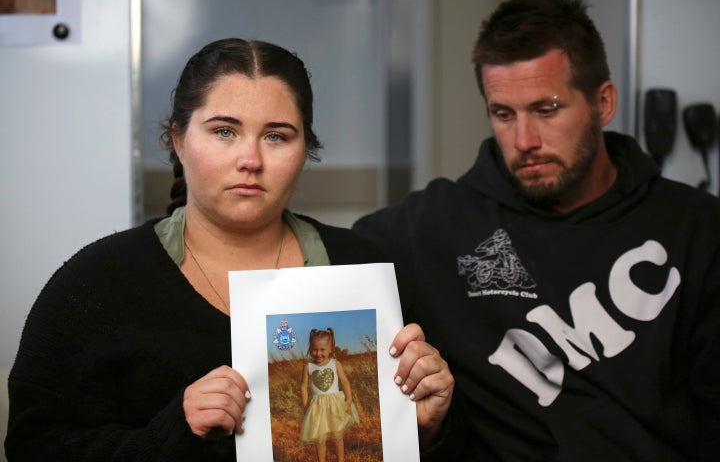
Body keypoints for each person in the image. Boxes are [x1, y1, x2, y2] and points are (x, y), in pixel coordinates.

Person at [4, 38, 454, 461]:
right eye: (224, 131)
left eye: (276, 136)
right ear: (179, 140)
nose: (251, 160)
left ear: (305, 150)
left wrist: (426, 429)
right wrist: (173, 432)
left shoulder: (365, 269)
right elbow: (34, 446)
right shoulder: (97, 282)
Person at [353, 0, 720, 461]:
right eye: (503, 114)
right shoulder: (436, 226)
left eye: (547, 110)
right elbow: (308, 258)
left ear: (603, 102)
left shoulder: (696, 228)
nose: (524, 140)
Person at [300, 328, 360, 462]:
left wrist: (348, 401)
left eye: (322, 350)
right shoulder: (308, 367)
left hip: (335, 405)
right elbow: (303, 387)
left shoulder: (335, 364)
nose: (318, 353)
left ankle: (341, 460)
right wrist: (305, 406)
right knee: (320, 439)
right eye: (315, 349)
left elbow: (345, 382)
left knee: (338, 437)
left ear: (331, 349)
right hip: (318, 407)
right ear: (310, 348)